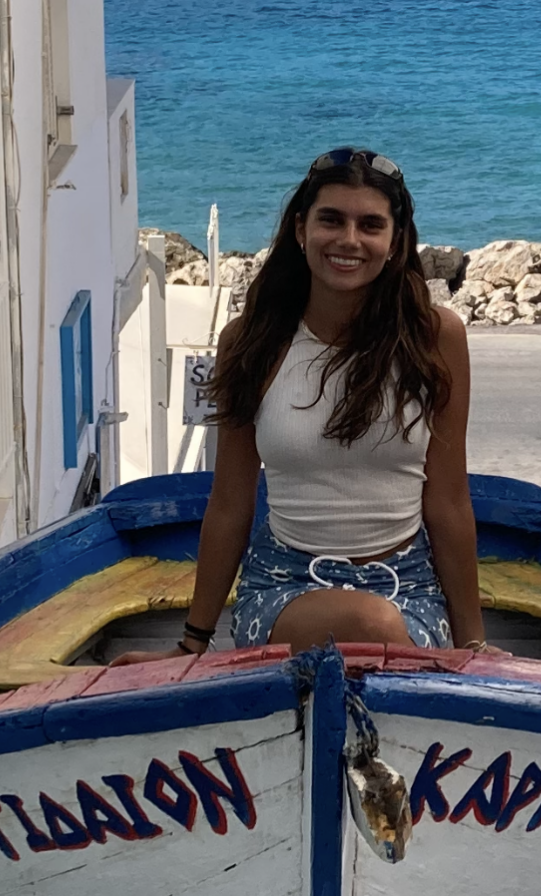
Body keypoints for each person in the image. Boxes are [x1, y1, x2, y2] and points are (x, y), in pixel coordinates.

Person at [113, 147, 488, 663]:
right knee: (372, 631)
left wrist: (474, 648)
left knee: (382, 634)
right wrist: (191, 643)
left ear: (395, 241)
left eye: (370, 225)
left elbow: (448, 502)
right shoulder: (251, 342)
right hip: (283, 582)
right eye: (331, 220)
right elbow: (230, 504)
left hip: (409, 584)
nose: (349, 240)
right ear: (299, 230)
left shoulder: (436, 337)